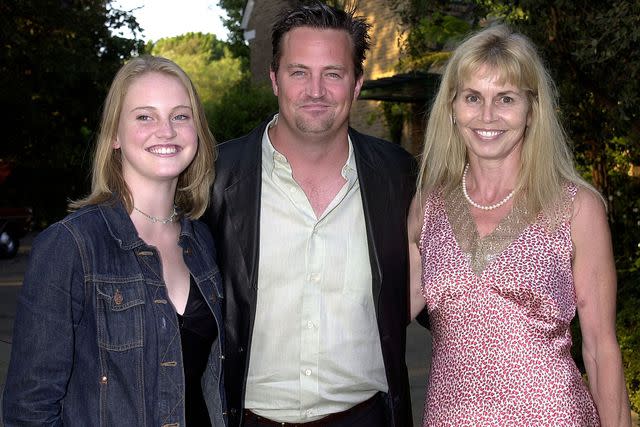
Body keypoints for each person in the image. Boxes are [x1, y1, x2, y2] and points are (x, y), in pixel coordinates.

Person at [204, 2, 417, 426]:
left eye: (333, 74)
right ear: (274, 79)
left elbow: (450, 291)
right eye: (299, 72)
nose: (315, 90)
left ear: (356, 84)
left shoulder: (400, 177)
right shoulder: (215, 177)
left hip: (367, 416)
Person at [408, 24, 631, 426]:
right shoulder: (428, 206)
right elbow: (381, 317)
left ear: (532, 109)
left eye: (505, 99)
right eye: (473, 97)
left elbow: (600, 348)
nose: (487, 115)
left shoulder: (576, 208)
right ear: (452, 107)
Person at [2, 55, 226, 426]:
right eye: (144, 116)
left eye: (180, 115)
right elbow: (29, 410)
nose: (166, 130)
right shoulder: (70, 246)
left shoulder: (202, 241)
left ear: (197, 131)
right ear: (115, 137)